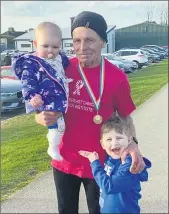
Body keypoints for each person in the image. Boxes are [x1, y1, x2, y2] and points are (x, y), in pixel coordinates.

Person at [35, 11, 146, 214]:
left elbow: (125, 117)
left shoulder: (117, 77)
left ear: (103, 41)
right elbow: (43, 105)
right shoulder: (62, 69)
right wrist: (39, 117)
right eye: (77, 40)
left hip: (101, 163)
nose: (82, 47)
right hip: (64, 161)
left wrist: (133, 144)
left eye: (90, 40)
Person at [12, 22, 71, 160]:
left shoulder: (59, 58)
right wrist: (32, 96)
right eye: (45, 46)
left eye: (55, 47)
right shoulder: (32, 62)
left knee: (61, 125)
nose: (50, 50)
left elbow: (65, 66)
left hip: (58, 97)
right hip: (46, 99)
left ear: (60, 46)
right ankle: (53, 147)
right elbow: (28, 81)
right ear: (35, 43)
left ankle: (55, 143)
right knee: (55, 126)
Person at [79, 114, 151, 213]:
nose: (114, 143)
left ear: (129, 140)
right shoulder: (109, 158)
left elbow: (109, 187)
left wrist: (94, 163)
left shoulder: (129, 164)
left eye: (119, 138)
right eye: (109, 139)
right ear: (102, 144)